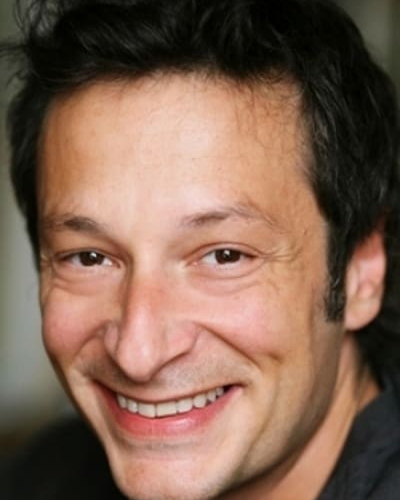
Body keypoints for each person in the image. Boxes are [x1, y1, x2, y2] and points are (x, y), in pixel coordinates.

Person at [1, 0, 400, 498]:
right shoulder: (38, 479)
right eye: (89, 257)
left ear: (362, 271)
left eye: (224, 256)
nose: (138, 354)